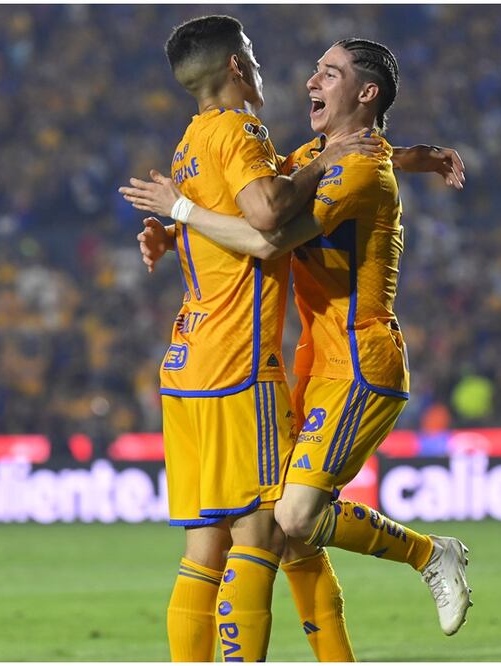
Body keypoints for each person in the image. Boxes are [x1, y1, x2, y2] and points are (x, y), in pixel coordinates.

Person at [121, 36, 473, 651]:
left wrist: (179, 211)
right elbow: (261, 192)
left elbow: (268, 235)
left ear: (365, 92)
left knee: (290, 520)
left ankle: (431, 554)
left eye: (329, 73)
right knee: (289, 540)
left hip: (361, 363)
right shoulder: (322, 151)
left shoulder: (358, 166)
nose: (311, 81)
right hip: (314, 357)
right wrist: (180, 238)